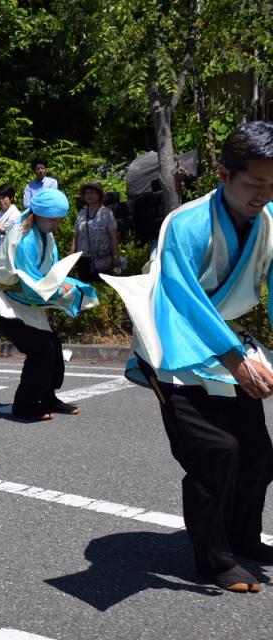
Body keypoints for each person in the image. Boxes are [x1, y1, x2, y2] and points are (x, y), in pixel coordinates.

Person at [102, 121, 273, 593]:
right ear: (224, 173)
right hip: (170, 347)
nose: (265, 194)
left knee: (258, 454)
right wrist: (237, 359)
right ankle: (213, 559)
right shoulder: (187, 222)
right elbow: (181, 296)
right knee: (216, 453)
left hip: (223, 345)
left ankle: (242, 536)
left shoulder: (270, 221)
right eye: (256, 183)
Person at [0, 188, 98, 420]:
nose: (57, 224)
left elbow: (50, 274)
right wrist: (60, 291)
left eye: (60, 219)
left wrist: (71, 286)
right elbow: (32, 284)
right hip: (3, 301)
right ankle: (25, 406)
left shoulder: (45, 235)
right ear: (38, 214)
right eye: (53, 219)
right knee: (40, 349)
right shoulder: (23, 238)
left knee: (52, 345)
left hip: (21, 302)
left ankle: (47, 398)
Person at [71, 181, 120, 282]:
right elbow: (76, 238)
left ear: (99, 195)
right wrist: (72, 257)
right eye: (87, 193)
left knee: (101, 288)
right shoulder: (81, 213)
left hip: (102, 258)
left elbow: (113, 237)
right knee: (85, 288)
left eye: (92, 192)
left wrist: (115, 256)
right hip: (83, 258)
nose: (89, 195)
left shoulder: (107, 213)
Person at [0, 183, 22, 249]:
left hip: (11, 254)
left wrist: (4, 232)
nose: (1, 200)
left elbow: (20, 237)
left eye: (4, 197)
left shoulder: (16, 215)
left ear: (11, 198)